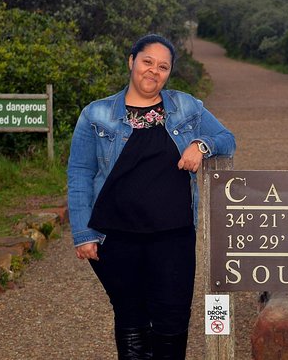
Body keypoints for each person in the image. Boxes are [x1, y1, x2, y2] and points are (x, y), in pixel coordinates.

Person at [67, 34, 236, 360]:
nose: (153, 71)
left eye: (163, 67)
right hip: (115, 236)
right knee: (130, 316)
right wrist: (83, 233)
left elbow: (226, 138)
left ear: (169, 72)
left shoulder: (186, 107)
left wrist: (201, 145)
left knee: (172, 319)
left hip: (174, 235)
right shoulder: (96, 115)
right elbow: (79, 174)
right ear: (132, 61)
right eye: (147, 62)